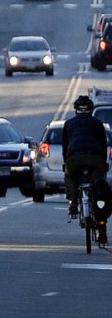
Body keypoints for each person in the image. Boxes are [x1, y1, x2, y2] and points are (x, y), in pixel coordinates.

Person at [63, 95, 109, 244]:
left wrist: (66, 162)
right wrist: (103, 163)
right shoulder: (98, 123)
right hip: (95, 158)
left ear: (76, 110)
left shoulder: (69, 124)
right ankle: (102, 230)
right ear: (90, 109)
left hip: (74, 158)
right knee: (100, 189)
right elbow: (103, 146)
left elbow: (65, 147)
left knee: (70, 175)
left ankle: (73, 201)